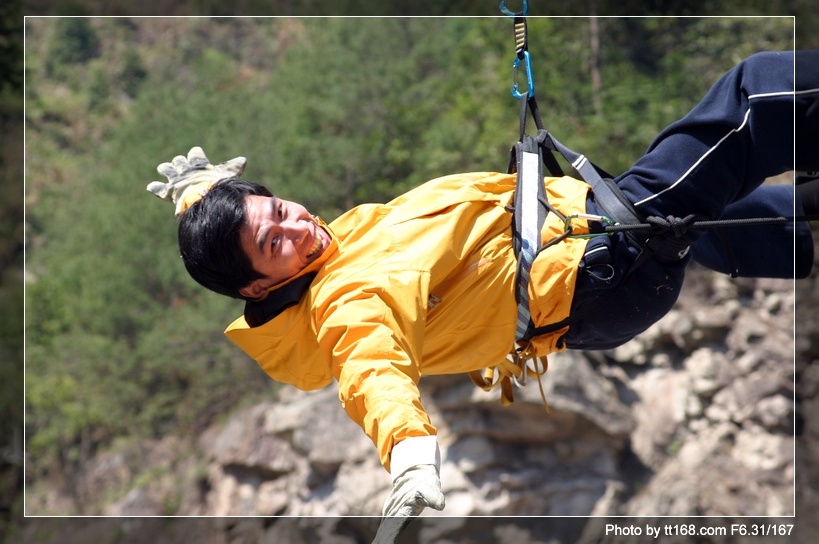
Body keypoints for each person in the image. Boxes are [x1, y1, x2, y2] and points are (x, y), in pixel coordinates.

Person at [147, 50, 818, 534]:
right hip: (604, 262)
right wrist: (408, 448)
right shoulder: (345, 296)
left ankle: (796, 233)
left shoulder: (341, 247)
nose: (297, 225)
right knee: (754, 97)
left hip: (592, 268)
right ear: (262, 284)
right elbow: (371, 367)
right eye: (273, 243)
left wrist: (204, 193)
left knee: (723, 213)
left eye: (279, 208)